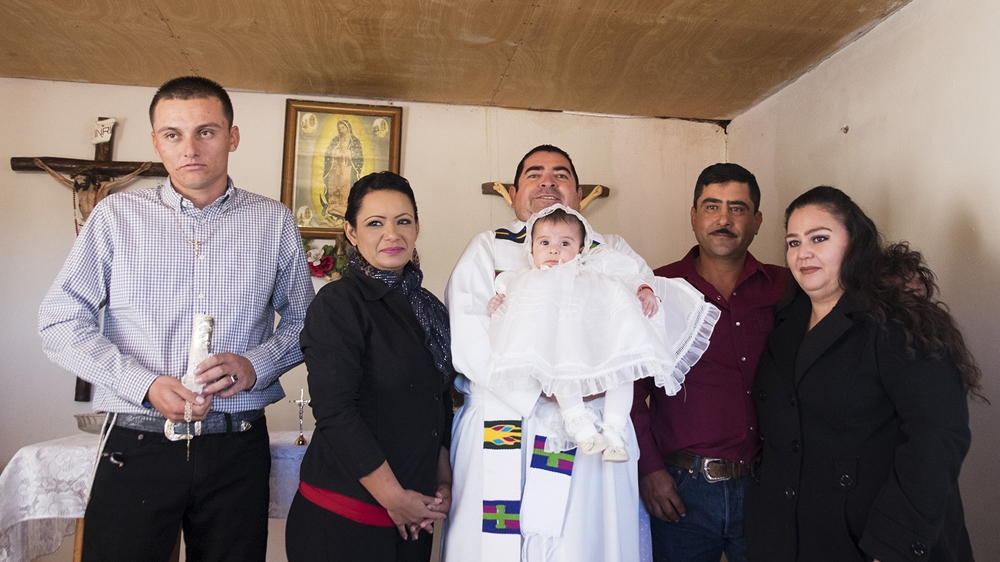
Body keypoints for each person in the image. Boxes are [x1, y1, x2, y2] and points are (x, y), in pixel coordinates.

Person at [37, 76, 314, 562]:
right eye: (173, 134)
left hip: (236, 445)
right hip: (137, 441)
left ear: (232, 136)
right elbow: (60, 322)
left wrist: (256, 364)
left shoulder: (274, 222)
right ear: (155, 142)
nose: (190, 148)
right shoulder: (115, 217)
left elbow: (307, 323)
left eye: (206, 132)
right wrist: (143, 383)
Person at [744, 186, 981, 561]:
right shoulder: (785, 321)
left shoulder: (898, 321)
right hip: (792, 537)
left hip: (875, 540)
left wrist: (889, 547)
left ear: (854, 243)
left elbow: (936, 439)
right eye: (793, 242)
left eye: (819, 238)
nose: (802, 252)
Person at [443, 145, 654, 562]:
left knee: (585, 542)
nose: (547, 181)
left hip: (590, 422)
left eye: (560, 174)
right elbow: (468, 334)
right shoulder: (487, 248)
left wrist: (589, 379)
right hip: (505, 419)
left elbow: (645, 318)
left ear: (578, 193)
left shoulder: (609, 250)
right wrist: (543, 389)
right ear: (515, 192)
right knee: (497, 545)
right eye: (534, 173)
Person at [286, 171, 455, 562]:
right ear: (351, 231)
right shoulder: (339, 303)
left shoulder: (428, 308)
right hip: (344, 521)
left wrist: (442, 478)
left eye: (403, 221)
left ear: (416, 226)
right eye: (375, 223)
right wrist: (395, 499)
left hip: (413, 518)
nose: (391, 235)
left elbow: (439, 398)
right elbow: (335, 412)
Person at [632, 163, 790, 562]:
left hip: (767, 485)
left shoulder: (786, 288)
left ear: (756, 221)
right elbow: (630, 393)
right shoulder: (657, 290)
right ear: (693, 216)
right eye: (712, 206)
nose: (724, 219)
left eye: (738, 208)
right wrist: (649, 470)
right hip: (680, 489)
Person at [486, 205, 718, 462]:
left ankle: (615, 431)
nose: (554, 249)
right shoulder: (525, 279)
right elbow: (507, 298)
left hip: (599, 338)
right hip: (561, 345)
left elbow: (628, 273)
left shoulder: (594, 267)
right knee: (562, 372)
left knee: (621, 374)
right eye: (544, 242)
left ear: (581, 249)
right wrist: (499, 303)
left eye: (565, 243)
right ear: (531, 249)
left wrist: (643, 288)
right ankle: (581, 427)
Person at [323, 119, 364, 220]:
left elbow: (358, 157)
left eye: (343, 127)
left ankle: (344, 210)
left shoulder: (354, 141)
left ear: (348, 127)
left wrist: (347, 154)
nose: (341, 130)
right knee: (334, 187)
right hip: (335, 168)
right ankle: (332, 208)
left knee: (345, 187)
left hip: (347, 168)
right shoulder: (336, 140)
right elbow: (328, 154)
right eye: (339, 128)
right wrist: (336, 152)